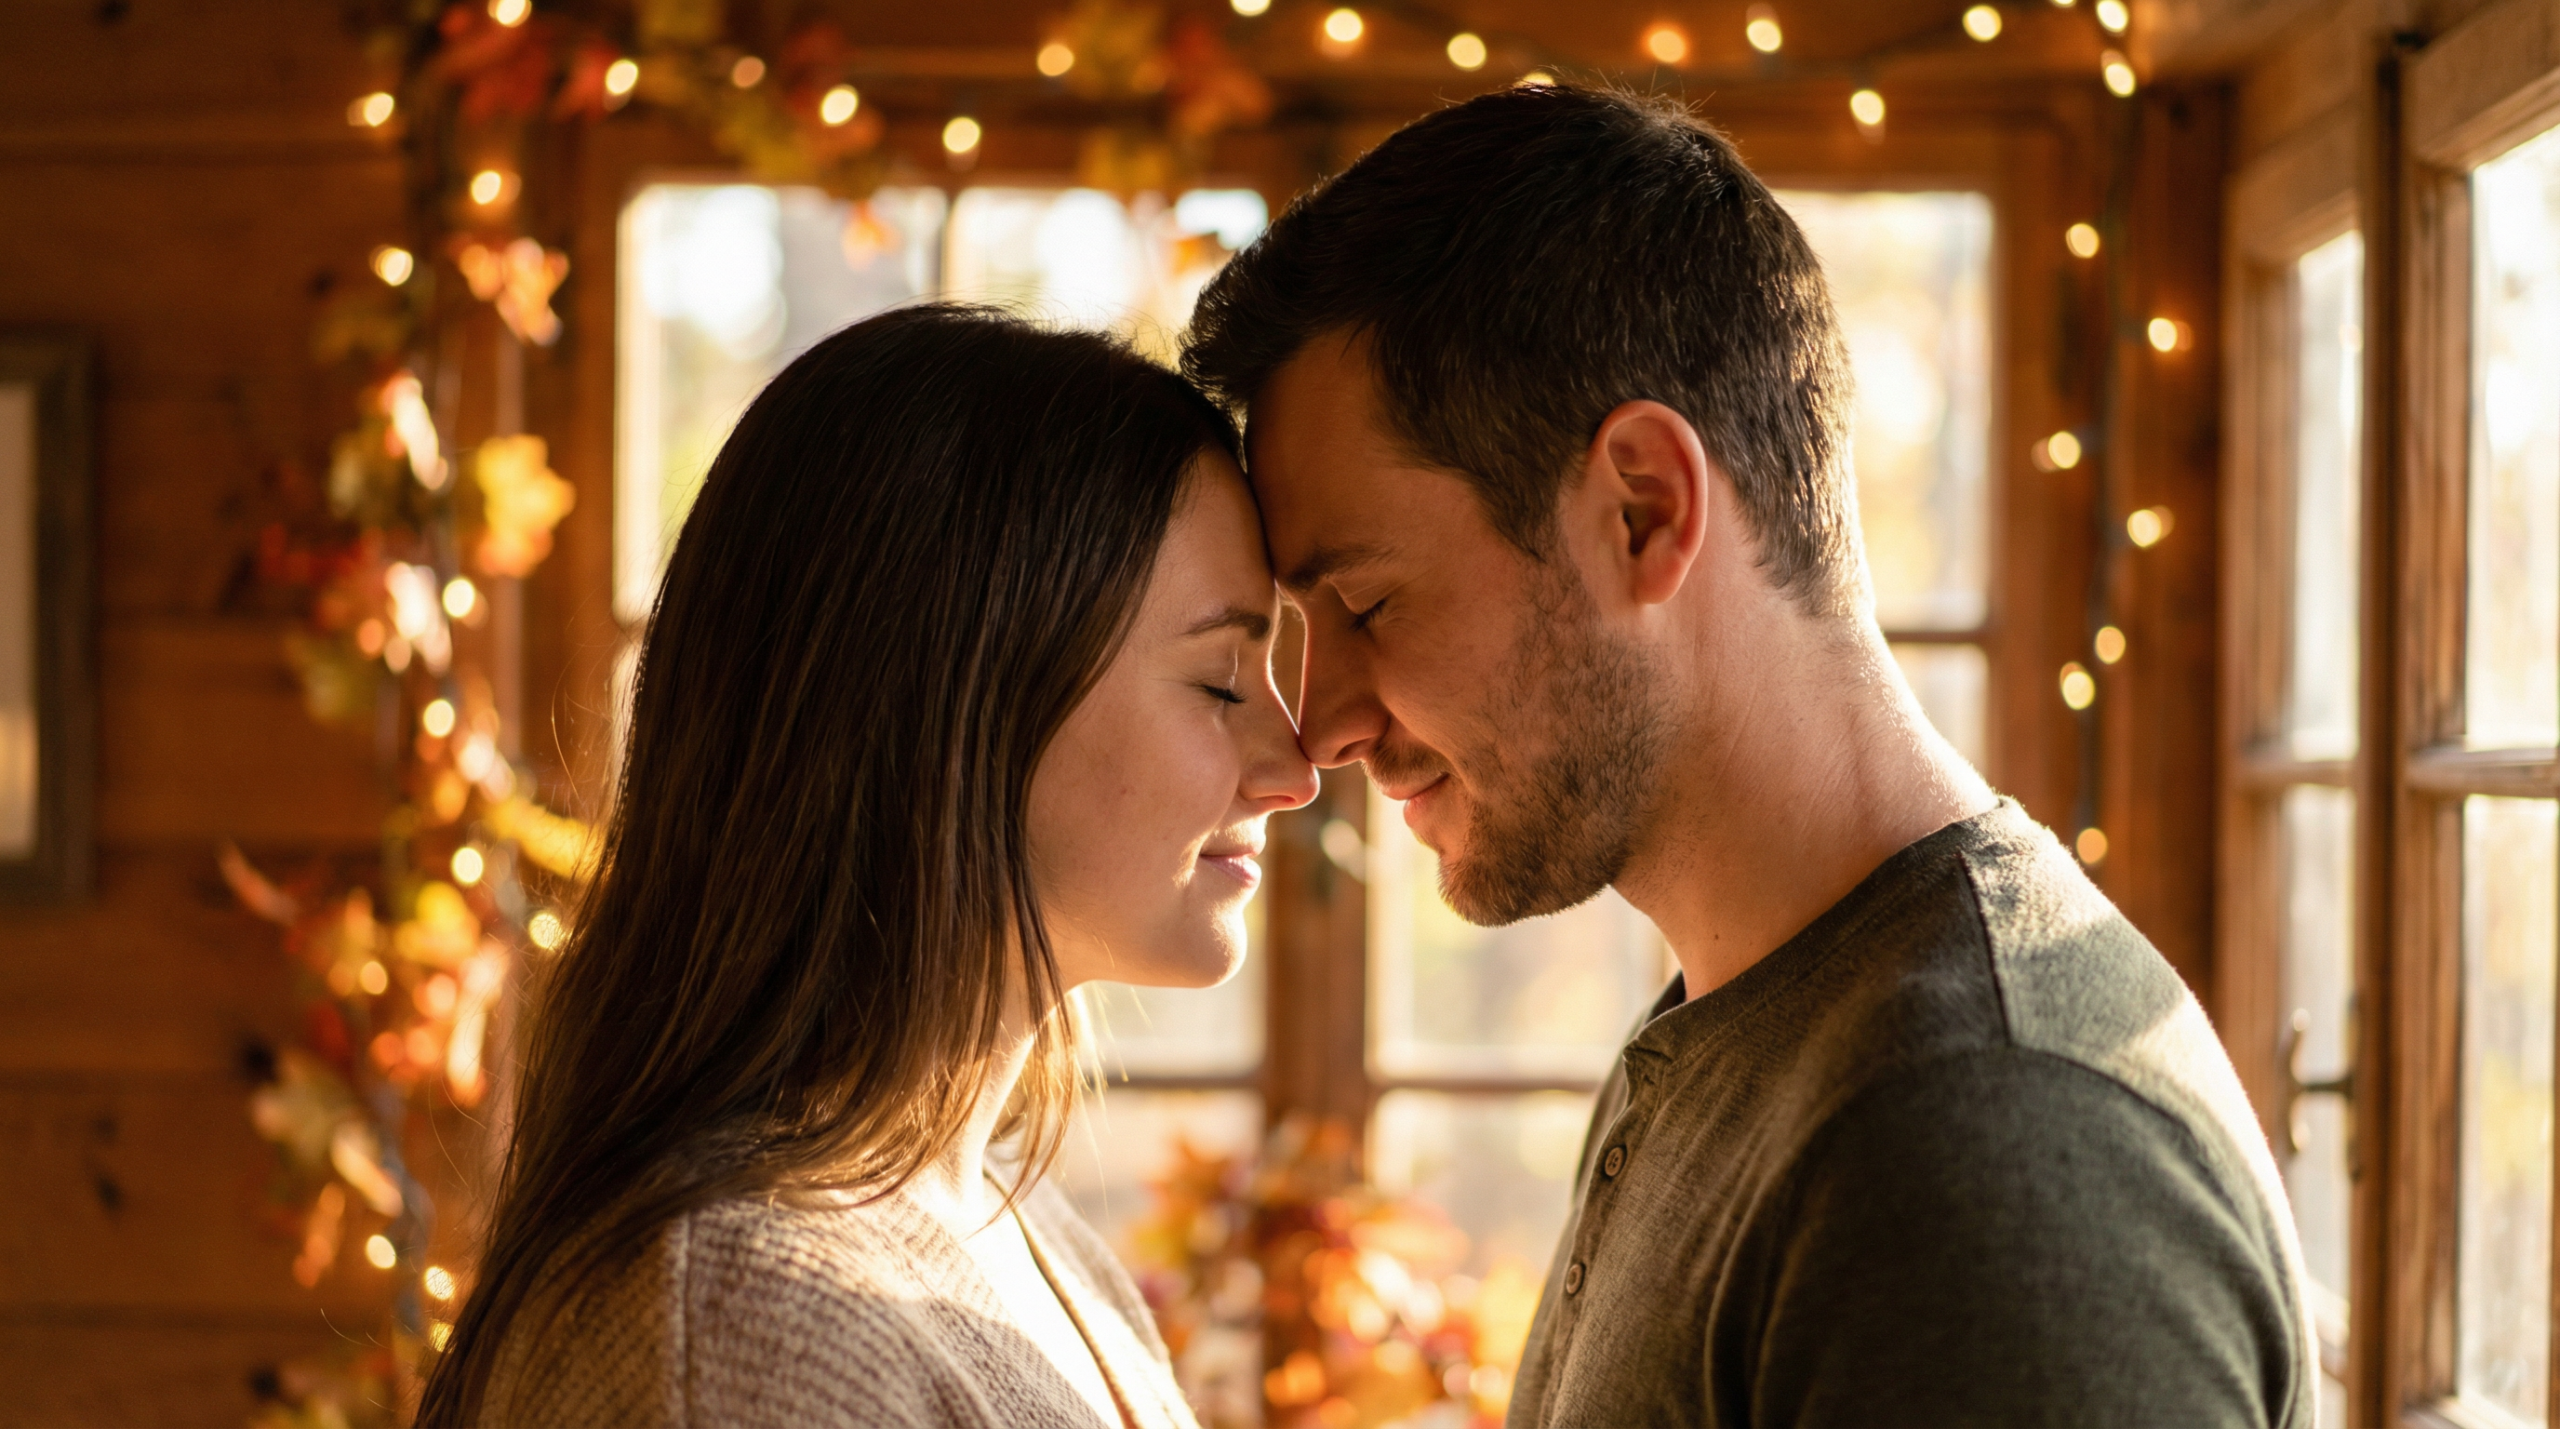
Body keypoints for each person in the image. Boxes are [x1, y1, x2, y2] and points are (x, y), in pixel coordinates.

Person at [1184, 85, 2312, 1427]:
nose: (1322, 731)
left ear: (1643, 511)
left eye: (1367, 605)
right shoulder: (1744, 1029)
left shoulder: (1983, 1147)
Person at [416, 306, 1316, 1428]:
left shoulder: (1020, 1237)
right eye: (1224, 682)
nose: (1295, 767)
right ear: (955, 703)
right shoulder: (744, 1335)